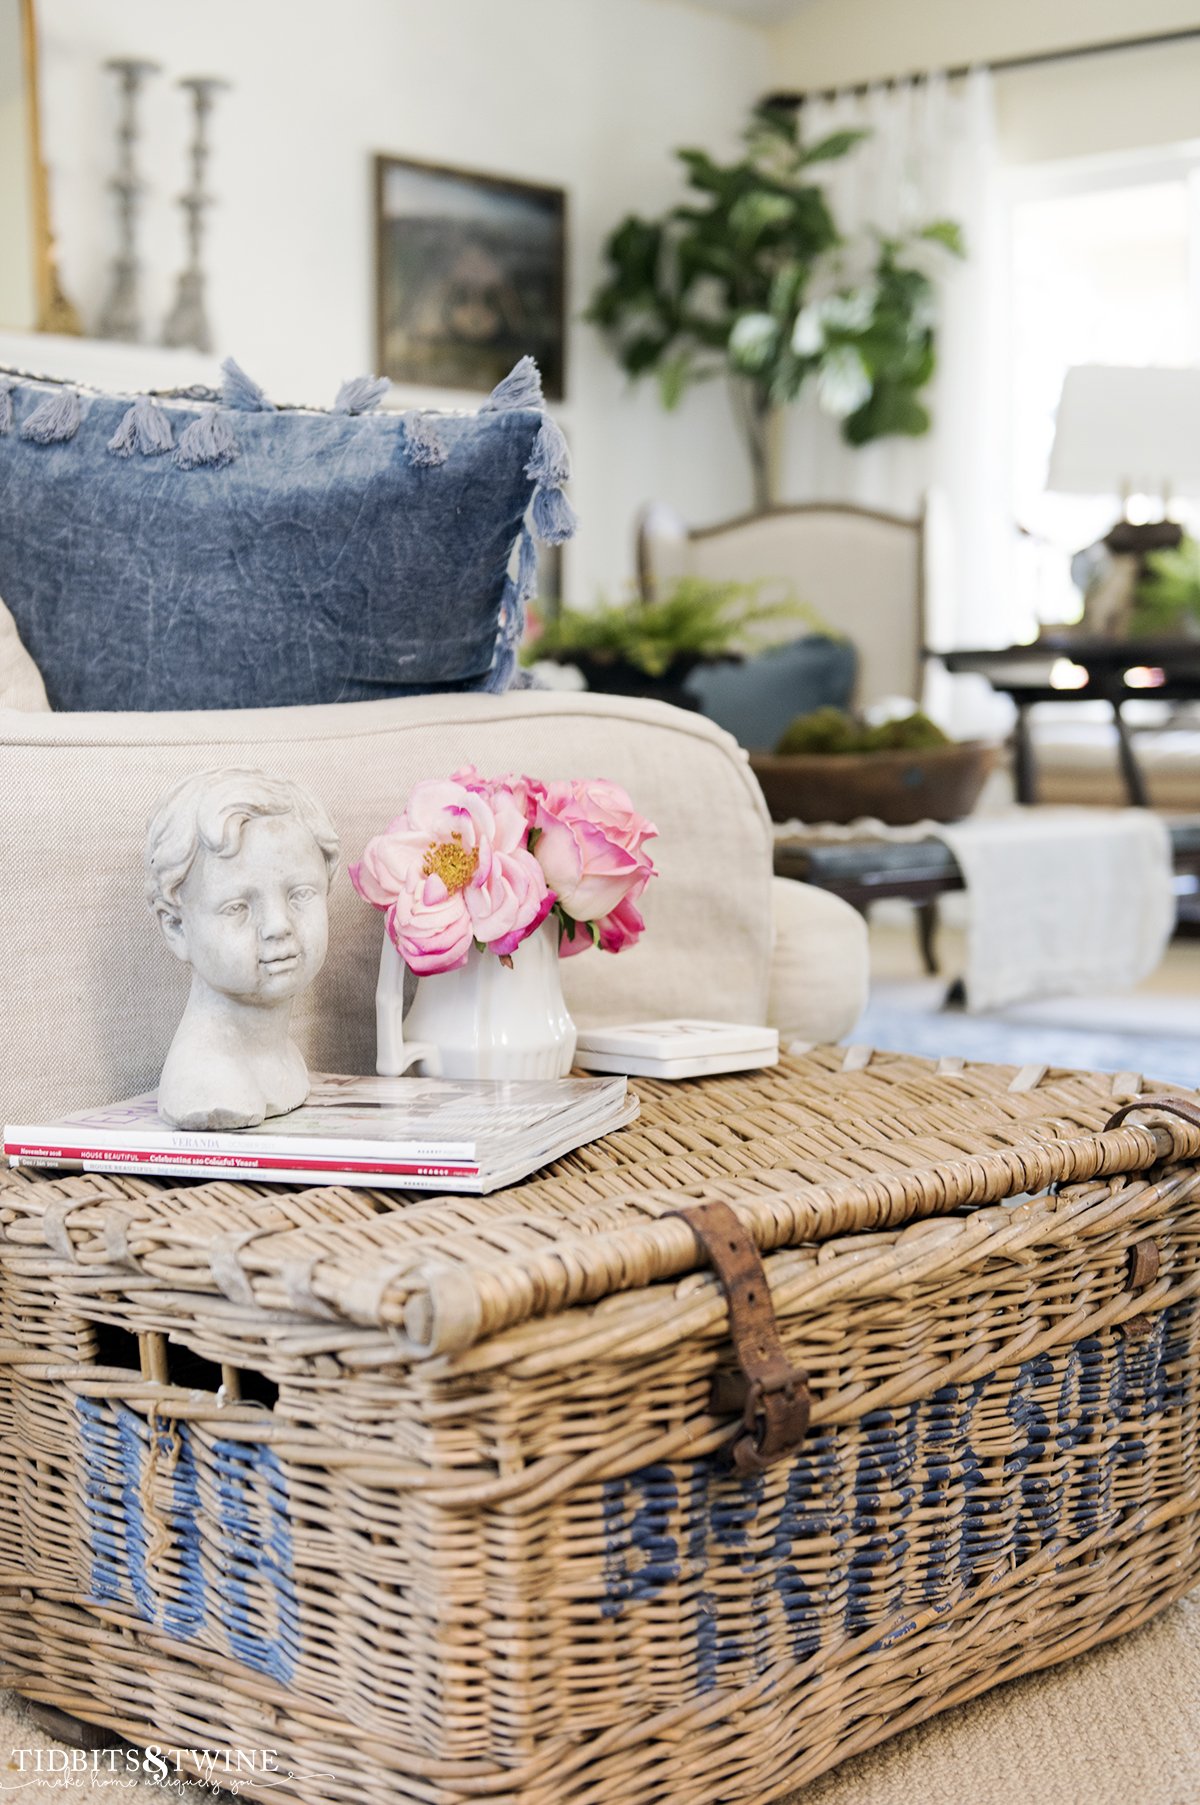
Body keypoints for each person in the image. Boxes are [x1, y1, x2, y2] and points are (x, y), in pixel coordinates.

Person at [144, 768, 340, 1129]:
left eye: (300, 894)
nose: (279, 925)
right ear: (176, 927)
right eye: (238, 907)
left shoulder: (286, 1061)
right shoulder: (205, 1084)